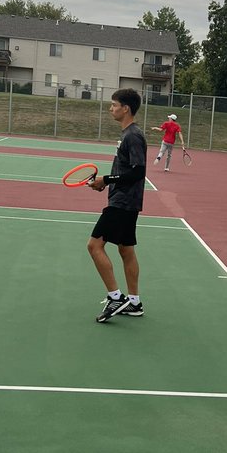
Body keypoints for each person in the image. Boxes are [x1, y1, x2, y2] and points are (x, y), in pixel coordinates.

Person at [87, 88, 147, 322]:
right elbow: (126, 171)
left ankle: (116, 297)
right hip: (124, 200)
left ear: (126, 108)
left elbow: (137, 172)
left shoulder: (133, 135)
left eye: (114, 105)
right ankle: (134, 302)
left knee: (94, 246)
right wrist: (105, 183)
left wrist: (107, 180)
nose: (111, 109)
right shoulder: (128, 134)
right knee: (125, 249)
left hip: (123, 203)